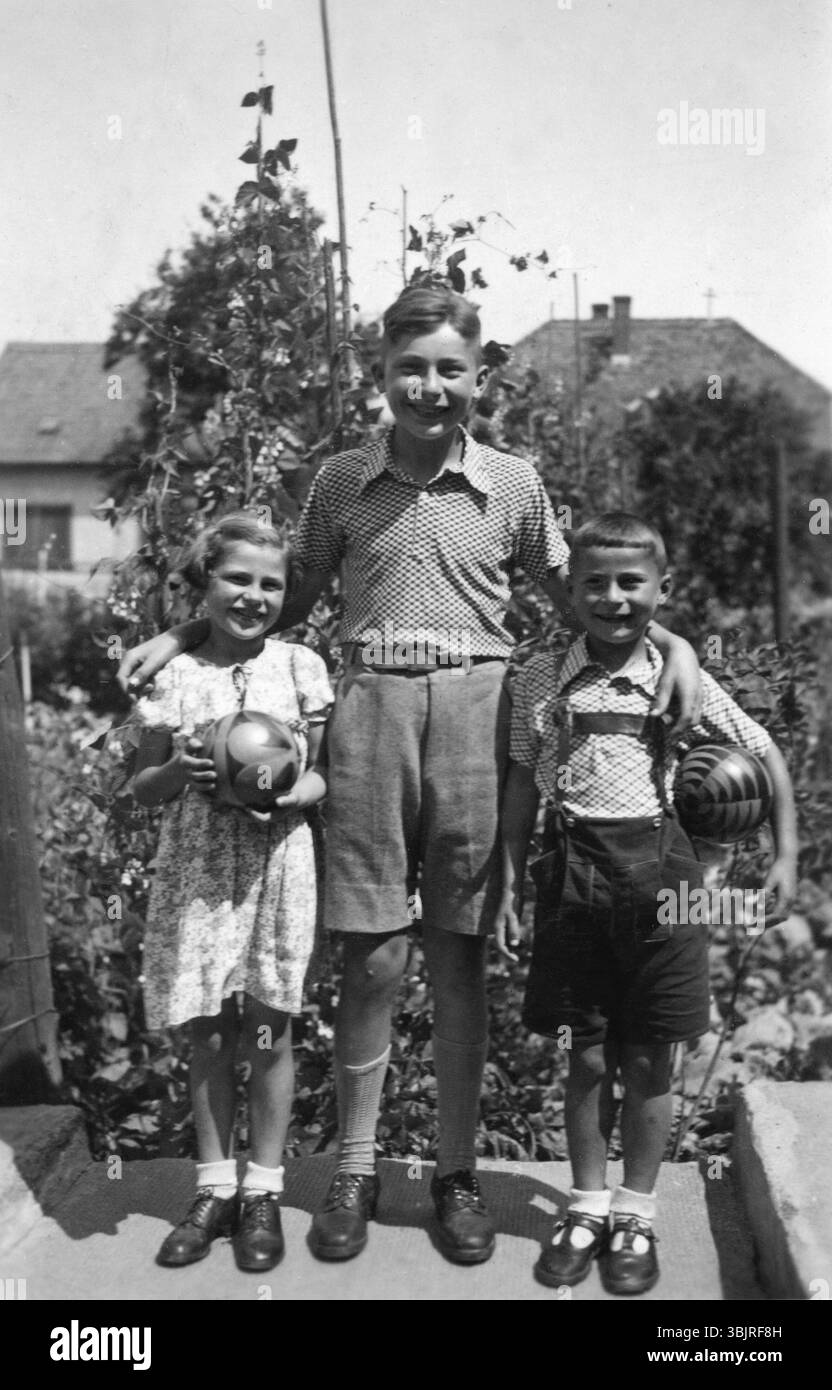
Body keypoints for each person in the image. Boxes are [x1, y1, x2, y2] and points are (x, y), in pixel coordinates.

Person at [118, 285, 703, 1267]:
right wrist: (180, 630)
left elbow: (588, 595)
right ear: (379, 376)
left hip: (479, 710)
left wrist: (676, 646)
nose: (429, 386)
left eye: (448, 368)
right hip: (370, 711)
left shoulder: (514, 484)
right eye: (409, 369)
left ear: (479, 376)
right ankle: (353, 1167)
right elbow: (284, 598)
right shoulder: (341, 480)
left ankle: (454, 1170)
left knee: (458, 952)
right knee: (374, 958)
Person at [496, 512, 797, 1294]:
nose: (613, 597)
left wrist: (786, 856)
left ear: (663, 589)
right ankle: (587, 1205)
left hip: (671, 889)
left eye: (632, 582)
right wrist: (504, 884)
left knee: (651, 1058)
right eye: (594, 582)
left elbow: (764, 754)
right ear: (570, 589)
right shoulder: (540, 677)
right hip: (573, 880)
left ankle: (636, 1211)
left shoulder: (679, 676)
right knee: (588, 1056)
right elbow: (522, 785)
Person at [131, 512, 333, 1272]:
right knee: (209, 1028)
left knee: (268, 1026)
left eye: (270, 584)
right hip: (199, 867)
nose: (253, 596)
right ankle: (213, 1185)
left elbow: (324, 771)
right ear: (204, 583)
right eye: (237, 579)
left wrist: (291, 796)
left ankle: (263, 1192)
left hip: (277, 858)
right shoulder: (175, 674)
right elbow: (144, 788)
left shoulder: (300, 666)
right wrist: (181, 770)